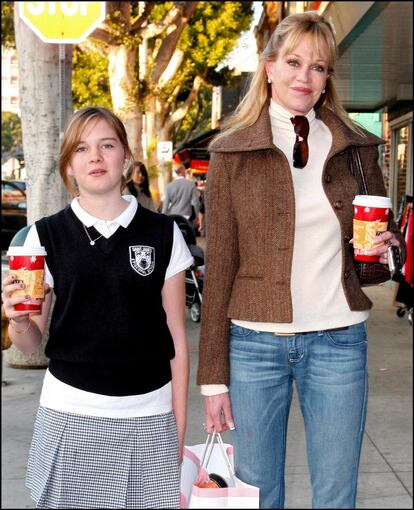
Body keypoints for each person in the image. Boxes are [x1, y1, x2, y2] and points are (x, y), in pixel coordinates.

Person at [197, 11, 406, 510]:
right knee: (259, 494)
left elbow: (374, 258)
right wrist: (212, 378)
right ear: (268, 66)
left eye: (319, 67)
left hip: (339, 340)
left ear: (328, 78)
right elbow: (220, 265)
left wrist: (388, 249)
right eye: (293, 61)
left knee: (336, 494)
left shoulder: (357, 147)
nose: (304, 77)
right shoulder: (231, 151)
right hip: (253, 345)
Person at [2, 106, 194, 509]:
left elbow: (177, 335)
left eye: (107, 145)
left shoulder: (163, 234)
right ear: (68, 164)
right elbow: (30, 341)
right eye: (82, 148)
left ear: (125, 158)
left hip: (149, 416)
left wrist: (178, 425)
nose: (95, 157)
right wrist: (18, 319)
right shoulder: (44, 236)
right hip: (69, 413)